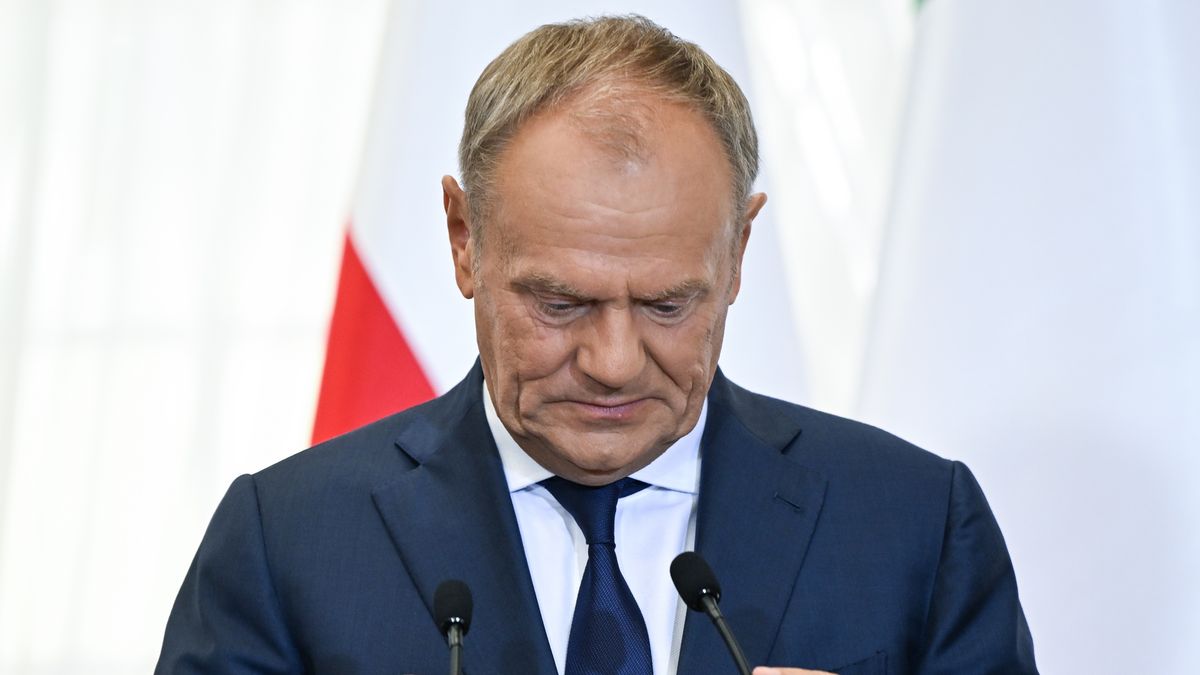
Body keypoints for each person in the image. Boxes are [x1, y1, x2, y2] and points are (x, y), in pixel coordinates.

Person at [156, 15, 1036, 675]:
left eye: (666, 304)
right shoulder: (290, 545)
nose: (614, 361)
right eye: (560, 301)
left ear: (737, 253)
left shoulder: (914, 525)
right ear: (465, 239)